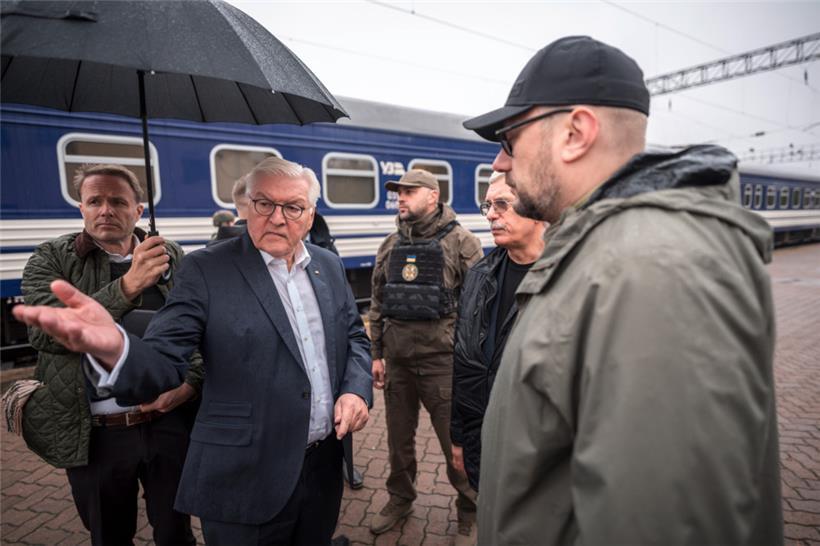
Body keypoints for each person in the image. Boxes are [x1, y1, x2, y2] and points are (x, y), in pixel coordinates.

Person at [462, 35, 782, 545]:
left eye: (509, 139)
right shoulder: (608, 256)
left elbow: (670, 525)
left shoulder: (652, 270)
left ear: (575, 132)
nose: (501, 163)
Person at [14, 156, 373, 546]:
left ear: (310, 214)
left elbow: (354, 335)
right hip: (247, 475)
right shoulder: (206, 269)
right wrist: (119, 351)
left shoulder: (328, 265)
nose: (277, 218)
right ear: (247, 207)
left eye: (293, 207)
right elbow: (167, 357)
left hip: (322, 468)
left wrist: (355, 389)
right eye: (264, 204)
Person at [19, 164, 202, 546]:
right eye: (94, 201)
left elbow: (201, 329)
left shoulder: (168, 255)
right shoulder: (52, 257)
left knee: (175, 531)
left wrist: (189, 384)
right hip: (95, 433)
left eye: (118, 201)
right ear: (81, 209)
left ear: (138, 211)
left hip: (167, 423)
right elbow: (44, 332)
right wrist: (128, 286)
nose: (105, 210)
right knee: (109, 534)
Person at [368, 168, 482, 543]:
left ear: (432, 196)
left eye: (409, 191)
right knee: (398, 442)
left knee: (456, 446)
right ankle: (400, 499)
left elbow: (478, 308)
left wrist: (469, 365)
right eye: (398, 192)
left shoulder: (462, 243)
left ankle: (470, 509)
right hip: (398, 362)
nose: (400, 197)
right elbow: (378, 303)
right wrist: (377, 354)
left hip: (442, 364)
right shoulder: (389, 245)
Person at [450, 171, 545, 492]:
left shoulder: (568, 277)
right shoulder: (479, 275)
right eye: (487, 205)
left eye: (502, 204)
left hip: (538, 452)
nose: (490, 214)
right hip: (483, 439)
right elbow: (463, 364)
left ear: (539, 207)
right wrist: (459, 437)